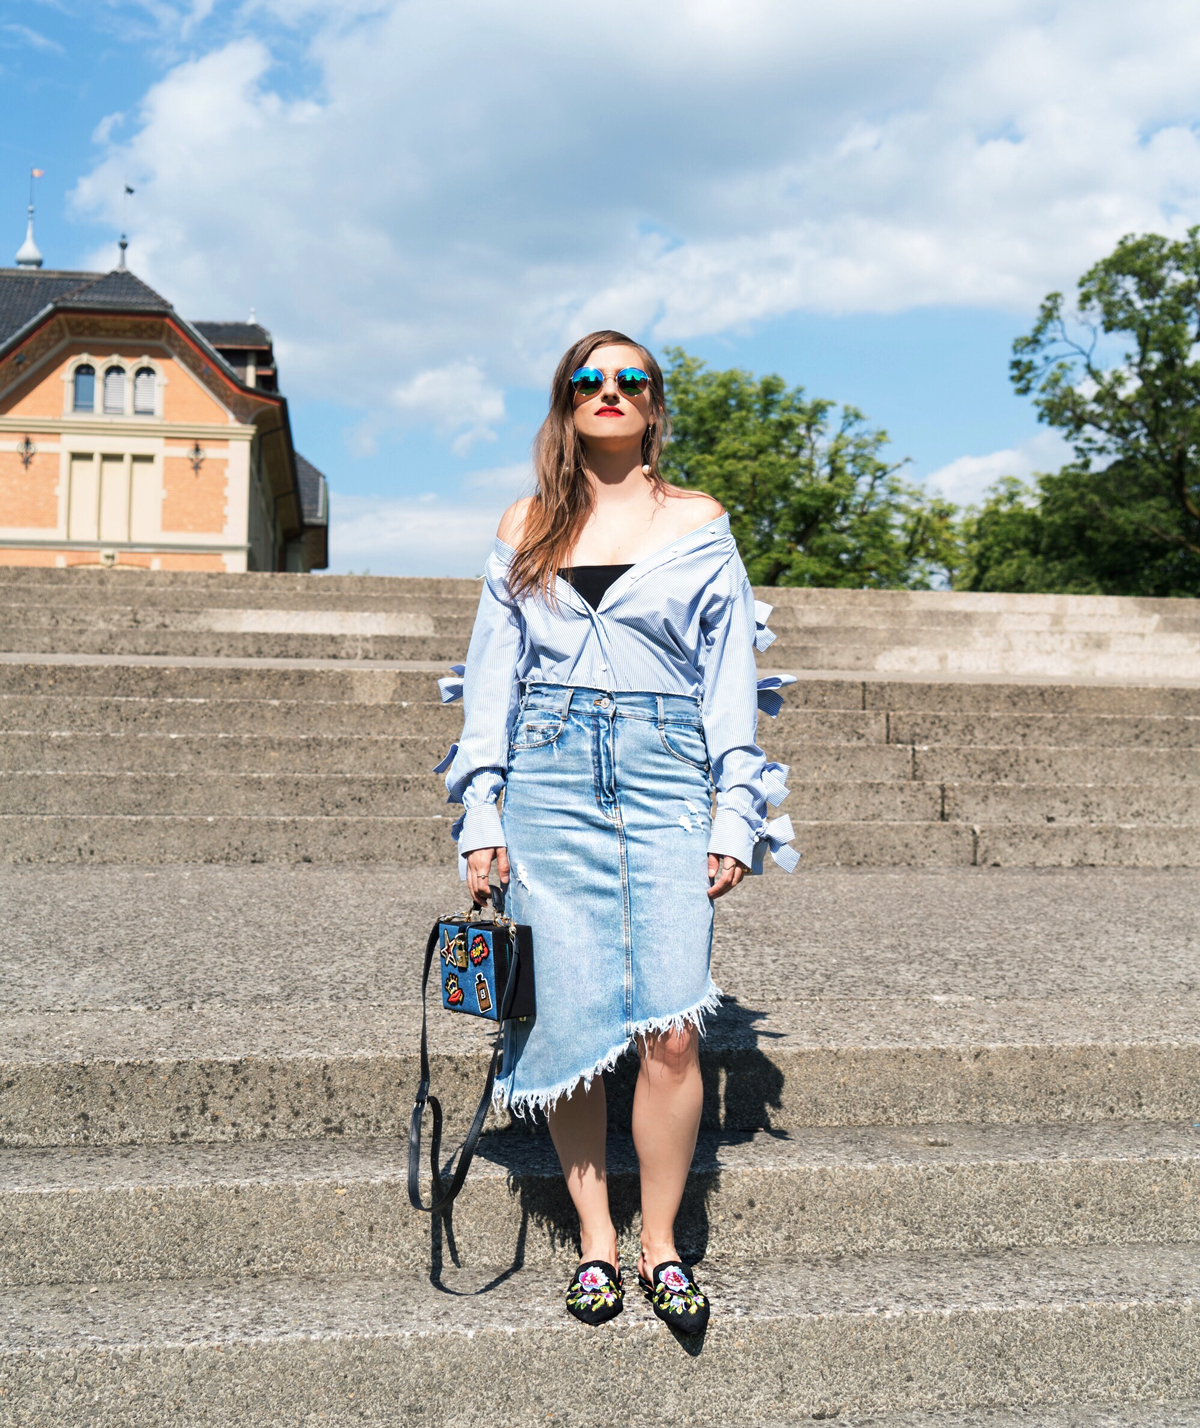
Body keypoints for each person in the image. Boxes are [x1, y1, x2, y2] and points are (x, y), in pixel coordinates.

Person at [438, 329, 798, 1334]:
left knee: (673, 1031)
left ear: (654, 407)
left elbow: (728, 675)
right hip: (549, 777)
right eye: (588, 380)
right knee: (575, 1025)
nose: (609, 391)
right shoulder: (528, 521)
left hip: (666, 772)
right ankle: (598, 1239)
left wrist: (738, 810)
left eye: (629, 380)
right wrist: (483, 811)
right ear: (565, 402)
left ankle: (663, 1245)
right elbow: (489, 678)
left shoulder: (698, 521)